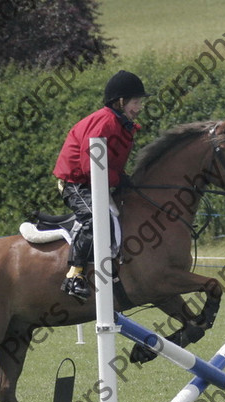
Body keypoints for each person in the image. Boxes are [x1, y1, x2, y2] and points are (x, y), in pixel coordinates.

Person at [52, 70, 150, 300]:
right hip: (76, 183)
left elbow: (111, 163)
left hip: (97, 181)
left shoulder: (121, 123)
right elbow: (89, 169)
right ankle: (74, 276)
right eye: (136, 102)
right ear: (121, 101)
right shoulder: (105, 122)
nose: (139, 108)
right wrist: (118, 178)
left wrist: (124, 179)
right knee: (95, 219)